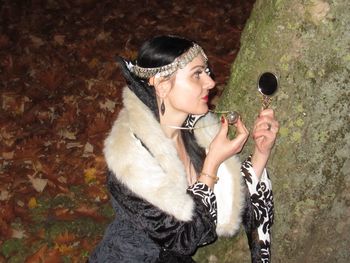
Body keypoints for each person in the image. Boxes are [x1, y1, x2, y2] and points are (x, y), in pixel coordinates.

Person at [89, 35, 279, 263]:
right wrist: (211, 164)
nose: (210, 82)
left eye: (206, 72)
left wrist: (261, 151)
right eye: (197, 74)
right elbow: (183, 239)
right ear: (161, 84)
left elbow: (226, 201)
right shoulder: (130, 162)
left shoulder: (196, 132)